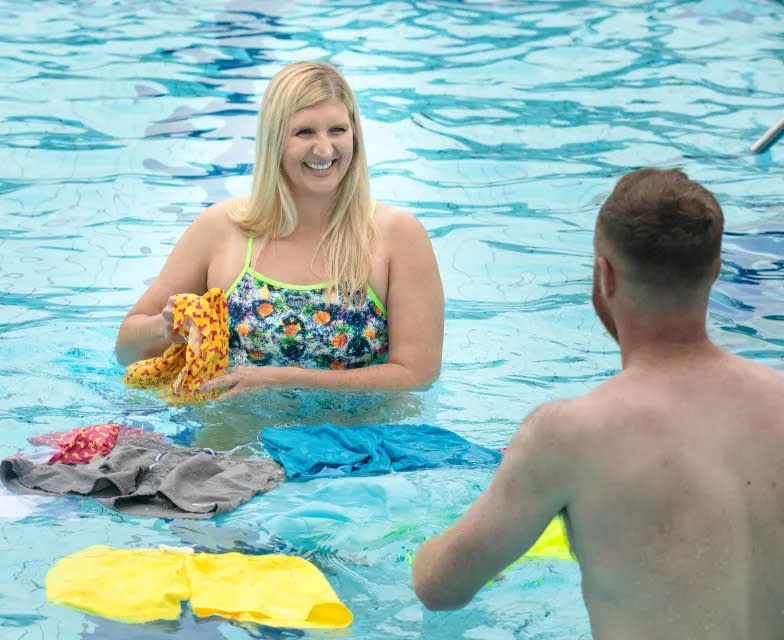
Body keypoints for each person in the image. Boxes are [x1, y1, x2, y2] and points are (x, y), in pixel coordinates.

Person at [412, 168, 784, 638]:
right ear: (714, 272)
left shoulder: (569, 434)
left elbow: (439, 589)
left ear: (604, 275)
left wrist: (427, 550)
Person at [115, 61, 443, 400]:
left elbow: (417, 374)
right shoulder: (222, 229)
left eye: (337, 130)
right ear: (275, 141)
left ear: (355, 135)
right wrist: (165, 328)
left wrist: (282, 379)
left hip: (358, 444)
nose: (325, 150)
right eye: (304, 132)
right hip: (230, 444)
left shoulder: (397, 236)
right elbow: (126, 349)